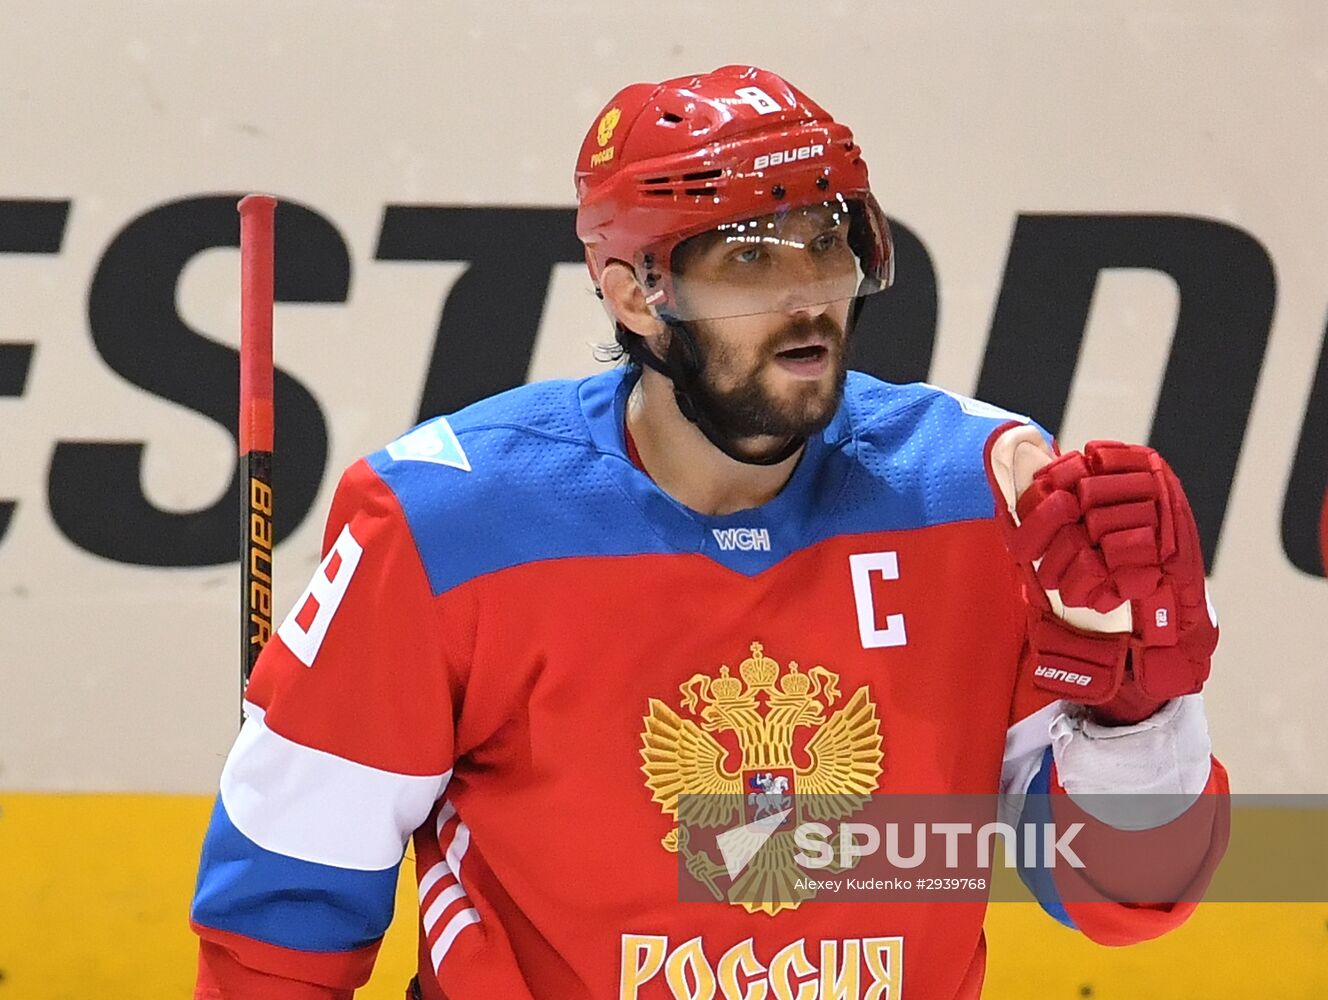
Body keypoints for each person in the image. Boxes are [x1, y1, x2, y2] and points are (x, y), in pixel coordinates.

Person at [191, 65, 1228, 1000]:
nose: (807, 297)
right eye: (749, 260)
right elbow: (283, 916)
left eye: (826, 243)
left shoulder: (975, 492)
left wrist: (1134, 713)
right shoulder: (446, 521)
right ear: (633, 296)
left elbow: (1120, 898)